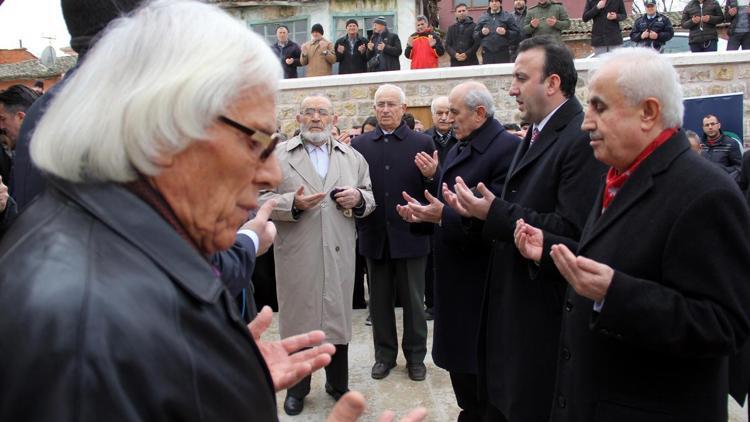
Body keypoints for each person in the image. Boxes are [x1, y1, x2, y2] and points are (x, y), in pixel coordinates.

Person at [514, 47, 750, 422]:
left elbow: (724, 327)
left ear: (649, 113)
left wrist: (615, 295)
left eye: (600, 107)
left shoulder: (707, 193)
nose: (586, 122)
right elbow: (614, 261)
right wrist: (552, 248)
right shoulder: (618, 176)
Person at [443, 37, 605, 421]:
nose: (512, 89)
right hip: (512, 310)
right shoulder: (535, 132)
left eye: (520, 78)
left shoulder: (577, 139)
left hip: (543, 318)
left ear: (552, 83)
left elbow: (574, 230)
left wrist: (495, 212)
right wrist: (473, 213)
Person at [397, 81, 520, 421]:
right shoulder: (461, 146)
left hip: (480, 288)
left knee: (484, 390)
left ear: (480, 113)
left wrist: (442, 216)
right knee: (465, 388)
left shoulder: (505, 150)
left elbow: (496, 219)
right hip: (454, 280)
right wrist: (423, 216)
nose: (448, 119)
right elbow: (445, 202)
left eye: (455, 112)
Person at [259, 94, 375, 416]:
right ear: (298, 119)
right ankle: (298, 387)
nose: (315, 118)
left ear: (333, 119)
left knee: (337, 320)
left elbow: (370, 196)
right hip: (298, 253)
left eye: (322, 112)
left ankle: (337, 385)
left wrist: (359, 199)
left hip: (339, 251)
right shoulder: (278, 156)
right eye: (308, 112)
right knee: (300, 320)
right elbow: (258, 198)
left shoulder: (352, 157)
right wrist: (292, 204)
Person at [352, 84, 436, 382]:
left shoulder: (422, 142)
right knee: (379, 301)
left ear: (404, 108)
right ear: (374, 109)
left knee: (414, 302)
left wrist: (431, 177)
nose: (385, 109)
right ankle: (384, 357)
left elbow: (435, 192)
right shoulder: (360, 145)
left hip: (411, 233)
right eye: (380, 104)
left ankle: (415, 357)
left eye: (391, 104)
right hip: (374, 234)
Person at [0, 84, 38, 184]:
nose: (1, 126)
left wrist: (5, 200)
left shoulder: (41, 160)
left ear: (21, 117)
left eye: (3, 119)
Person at [699, 114, 742, 182]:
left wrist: (722, 171)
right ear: (703, 128)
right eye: (707, 125)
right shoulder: (699, 144)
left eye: (712, 124)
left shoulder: (731, 143)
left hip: (724, 185)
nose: (710, 127)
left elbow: (739, 168)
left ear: (719, 125)